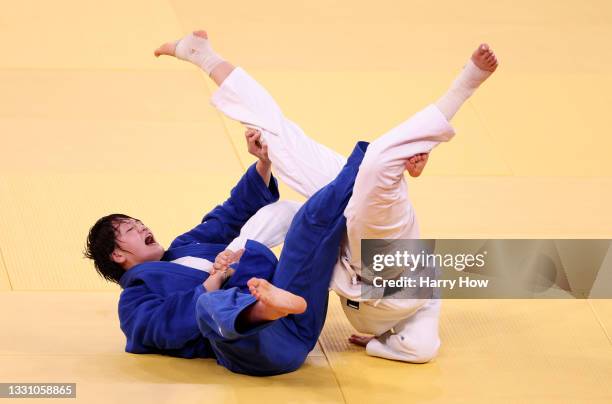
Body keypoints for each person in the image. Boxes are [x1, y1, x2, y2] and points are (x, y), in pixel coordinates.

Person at [154, 30, 498, 363]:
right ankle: (455, 98)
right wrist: (382, 343)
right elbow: (420, 348)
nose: (141, 228)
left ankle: (203, 55)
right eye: (131, 230)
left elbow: (276, 213)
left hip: (358, 254)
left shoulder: (182, 248)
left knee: (280, 140)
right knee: (378, 167)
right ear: (121, 255)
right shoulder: (149, 300)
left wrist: (241, 234)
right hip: (377, 268)